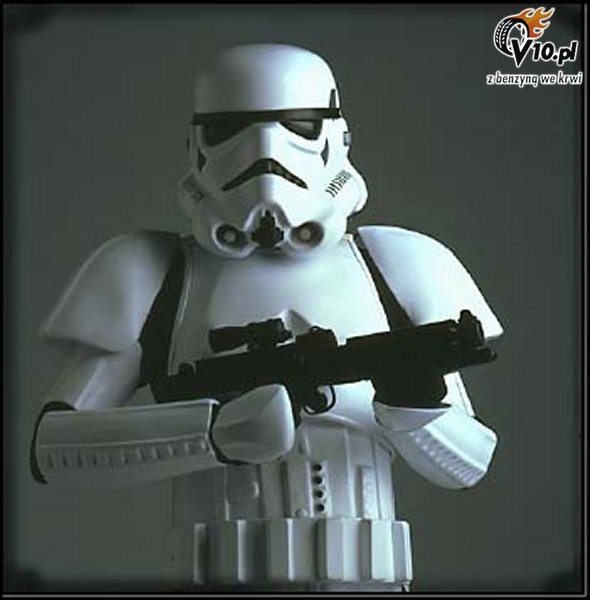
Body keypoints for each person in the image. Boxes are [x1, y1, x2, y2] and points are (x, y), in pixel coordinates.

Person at [31, 44, 503, 592]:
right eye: (229, 129)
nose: (264, 153)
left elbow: (470, 465)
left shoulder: (396, 263)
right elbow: (54, 450)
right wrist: (209, 435)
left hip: (372, 580)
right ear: (196, 144)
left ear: (337, 137)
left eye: (298, 126)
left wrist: (416, 407)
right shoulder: (155, 270)